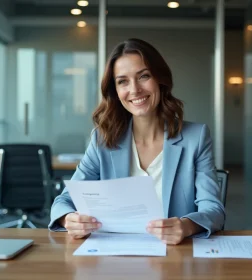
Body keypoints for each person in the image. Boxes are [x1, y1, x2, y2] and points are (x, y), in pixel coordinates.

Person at [49, 38, 225, 245]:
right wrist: (69, 218)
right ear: (115, 91)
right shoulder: (102, 139)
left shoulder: (195, 137)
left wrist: (186, 226)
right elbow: (64, 201)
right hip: (116, 256)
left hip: (176, 257)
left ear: (160, 79)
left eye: (143, 76)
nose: (135, 89)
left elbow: (213, 209)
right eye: (123, 81)